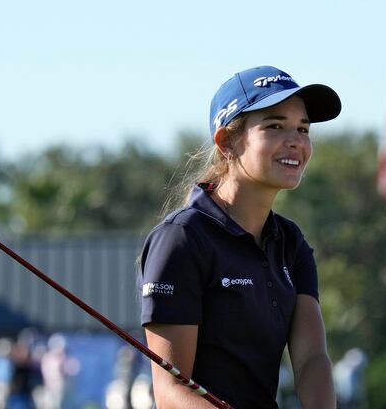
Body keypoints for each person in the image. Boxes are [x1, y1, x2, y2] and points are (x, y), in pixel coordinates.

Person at [138, 65, 341, 409]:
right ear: (227, 141)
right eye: (275, 126)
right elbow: (171, 391)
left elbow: (311, 361)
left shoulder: (291, 243)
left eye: (302, 128)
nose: (295, 141)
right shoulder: (182, 239)